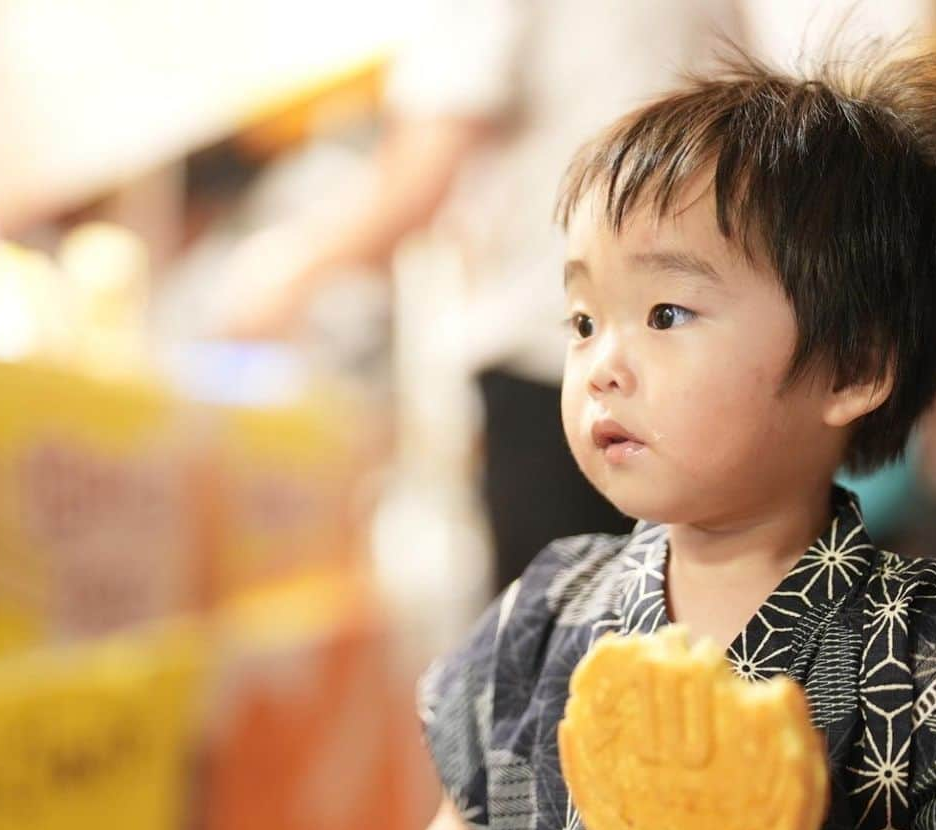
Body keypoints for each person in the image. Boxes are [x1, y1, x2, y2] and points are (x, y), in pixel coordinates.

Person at [340, 44, 936, 830]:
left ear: (852, 367)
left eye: (665, 314)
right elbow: (475, 820)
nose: (602, 363)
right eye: (582, 321)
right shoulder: (552, 599)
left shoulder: (911, 646)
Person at [219, 0, 745, 589]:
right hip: (696, 342)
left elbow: (421, 176)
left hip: (562, 357)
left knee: (562, 645)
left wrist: (281, 277)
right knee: (687, 625)